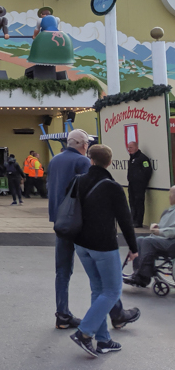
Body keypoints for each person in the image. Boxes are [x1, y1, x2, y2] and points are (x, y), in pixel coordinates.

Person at [47, 129, 139, 331]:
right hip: (80, 225)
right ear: (83, 145)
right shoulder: (82, 163)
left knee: (62, 272)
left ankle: (62, 314)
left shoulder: (55, 160)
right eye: (86, 143)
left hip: (60, 223)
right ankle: (116, 315)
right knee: (100, 275)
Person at [69, 145, 138, 357]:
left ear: (90, 160)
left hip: (81, 244)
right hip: (103, 246)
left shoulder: (78, 181)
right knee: (112, 290)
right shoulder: (113, 187)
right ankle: (85, 333)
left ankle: (104, 340)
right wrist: (133, 248)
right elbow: (126, 221)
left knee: (98, 290)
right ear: (109, 162)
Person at [123, 185, 175, 288]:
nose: (169, 196)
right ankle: (138, 273)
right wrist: (158, 226)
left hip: (171, 242)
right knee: (139, 240)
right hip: (165, 239)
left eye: (172, 194)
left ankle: (143, 275)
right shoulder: (169, 211)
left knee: (148, 241)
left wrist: (160, 231)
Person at [126, 141, 153, 228]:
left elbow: (147, 170)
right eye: (128, 147)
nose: (129, 149)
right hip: (132, 184)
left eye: (131, 147)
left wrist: (143, 181)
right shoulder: (132, 159)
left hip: (139, 185)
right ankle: (133, 220)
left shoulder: (142, 158)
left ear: (136, 147)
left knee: (139, 202)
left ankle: (138, 221)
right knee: (132, 202)